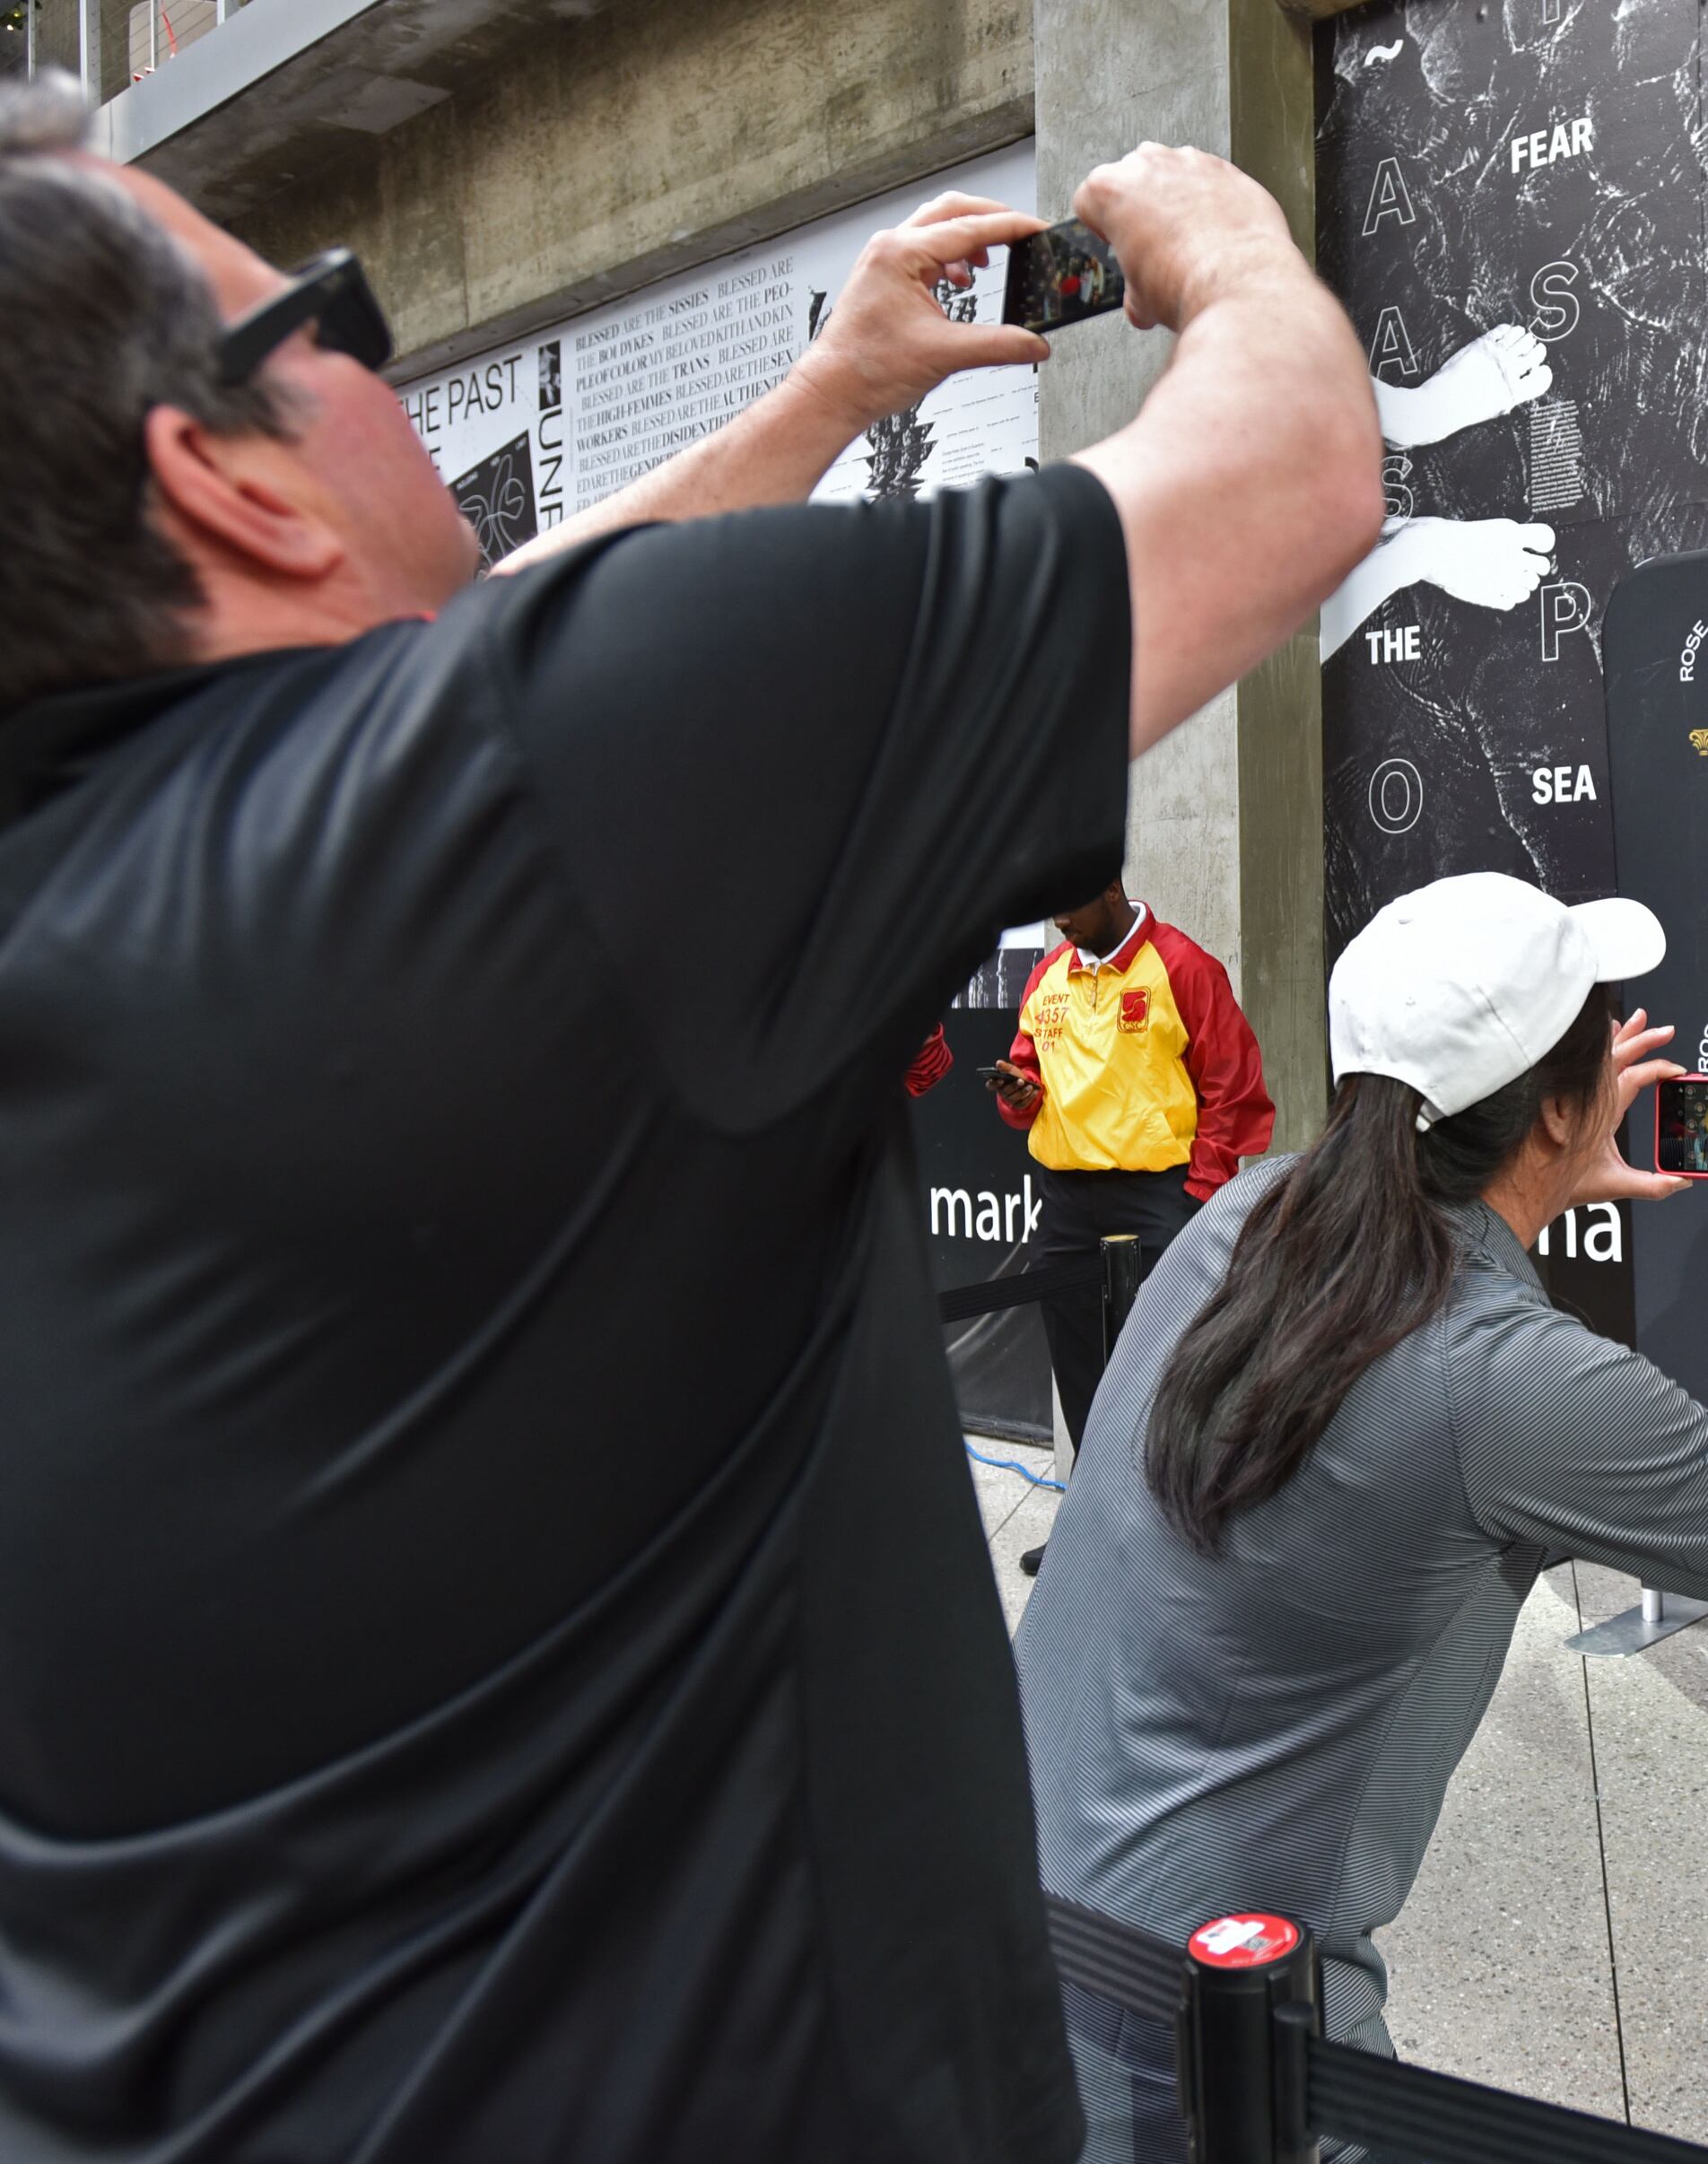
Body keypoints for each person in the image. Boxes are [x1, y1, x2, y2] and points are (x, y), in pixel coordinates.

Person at [0, 73, 1378, 2164]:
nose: (387, 369)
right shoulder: (539, 802)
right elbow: (1282, 465)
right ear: (232, 482)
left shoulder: (208, 881)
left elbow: (481, 671)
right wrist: (1222, 234)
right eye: (338, 321)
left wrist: (827, 395)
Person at [1017, 872, 1708, 2161]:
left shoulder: (1239, 1214)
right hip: (1211, 2053)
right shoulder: (1506, 1379)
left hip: (1006, 1946)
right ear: (1558, 1108)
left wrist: (1539, 1180)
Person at [990, 877, 1274, 1459]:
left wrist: (1199, 1196)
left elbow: (1233, 1086)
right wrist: (1020, 1097)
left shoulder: (1183, 966)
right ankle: (1089, 1525)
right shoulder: (1047, 977)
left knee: (1170, 1370)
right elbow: (1030, 1079)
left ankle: (1169, 1530)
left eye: (1067, 904)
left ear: (1110, 891)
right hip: (1065, 1202)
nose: (1058, 921)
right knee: (1078, 1369)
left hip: (1158, 1198)